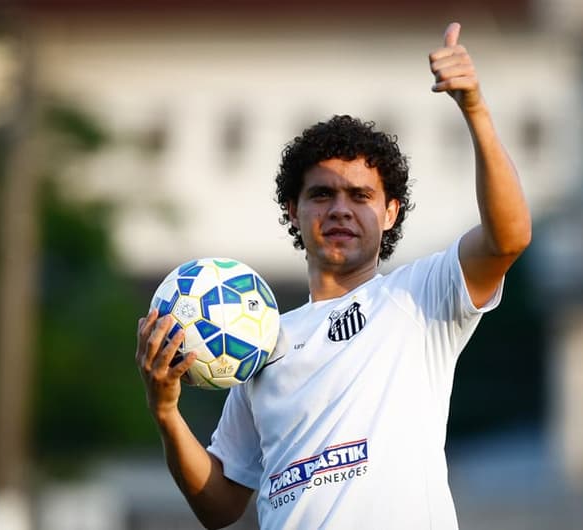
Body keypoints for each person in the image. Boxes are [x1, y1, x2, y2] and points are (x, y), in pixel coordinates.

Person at [136, 22, 531, 529]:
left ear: (390, 212)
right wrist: (166, 411)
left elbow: (510, 236)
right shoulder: (255, 344)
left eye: (360, 195)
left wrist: (474, 108)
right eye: (322, 194)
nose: (341, 209)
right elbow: (221, 506)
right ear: (293, 211)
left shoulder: (420, 298)